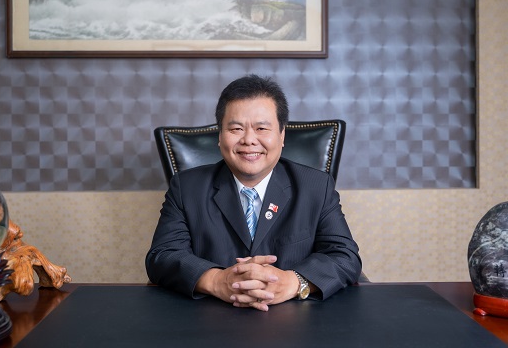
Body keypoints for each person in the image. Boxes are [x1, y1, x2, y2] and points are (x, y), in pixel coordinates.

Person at [146, 74, 362, 311]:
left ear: (282, 135)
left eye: (261, 128)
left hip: (295, 318)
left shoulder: (316, 187)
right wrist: (216, 281)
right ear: (220, 136)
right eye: (236, 128)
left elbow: (345, 256)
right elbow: (162, 256)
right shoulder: (187, 188)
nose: (249, 140)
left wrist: (294, 282)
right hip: (210, 316)